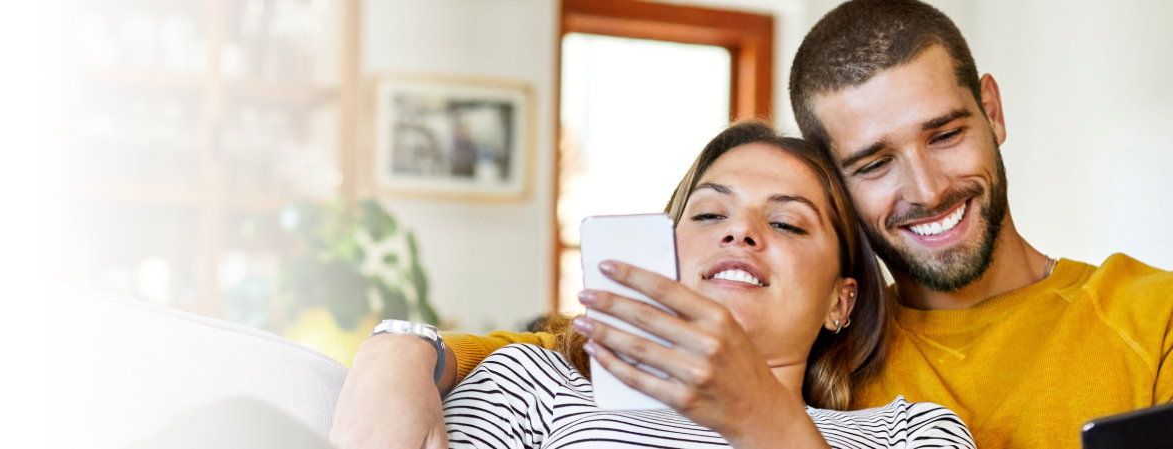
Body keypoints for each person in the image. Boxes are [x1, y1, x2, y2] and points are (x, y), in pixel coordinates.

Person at [329, 2, 1173, 448]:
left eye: (946, 133)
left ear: (990, 108)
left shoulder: (1144, 317)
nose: (925, 186)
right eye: (873, 162)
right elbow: (527, 363)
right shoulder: (547, 384)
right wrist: (400, 348)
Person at [440, 121, 973, 448]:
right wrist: (401, 345)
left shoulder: (911, 435)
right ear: (663, 251)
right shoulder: (533, 385)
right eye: (709, 214)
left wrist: (764, 423)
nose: (740, 230)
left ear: (841, 301)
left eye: (787, 222)